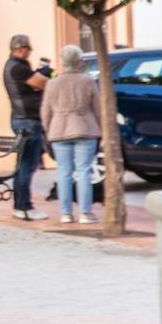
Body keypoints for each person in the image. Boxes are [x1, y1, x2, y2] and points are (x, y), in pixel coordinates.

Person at [41, 44, 102, 224]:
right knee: (84, 172)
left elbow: (46, 111)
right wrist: (101, 130)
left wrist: (48, 128)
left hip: (59, 130)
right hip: (85, 128)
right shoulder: (88, 81)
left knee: (64, 172)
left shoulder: (52, 83)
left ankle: (65, 213)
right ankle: (85, 213)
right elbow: (98, 109)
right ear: (79, 61)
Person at [3, 34, 52, 221]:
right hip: (27, 120)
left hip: (20, 119)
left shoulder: (11, 65)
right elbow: (42, 84)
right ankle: (24, 206)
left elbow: (32, 85)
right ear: (21, 48)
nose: (30, 52)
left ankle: (20, 205)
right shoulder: (19, 67)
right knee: (27, 164)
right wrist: (45, 74)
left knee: (23, 164)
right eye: (29, 49)